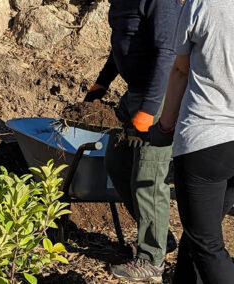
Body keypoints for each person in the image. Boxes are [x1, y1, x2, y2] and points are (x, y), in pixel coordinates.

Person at [84, 0, 181, 282]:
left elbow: (167, 52)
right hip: (134, 93)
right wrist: (103, 82)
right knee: (117, 163)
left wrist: (150, 109)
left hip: (159, 97)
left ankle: (151, 261)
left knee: (147, 179)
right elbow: (123, 43)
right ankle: (160, 237)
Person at [149, 0, 234, 283]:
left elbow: (180, 71)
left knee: (207, 243)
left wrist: (163, 127)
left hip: (206, 138)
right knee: (198, 233)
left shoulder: (201, 3)